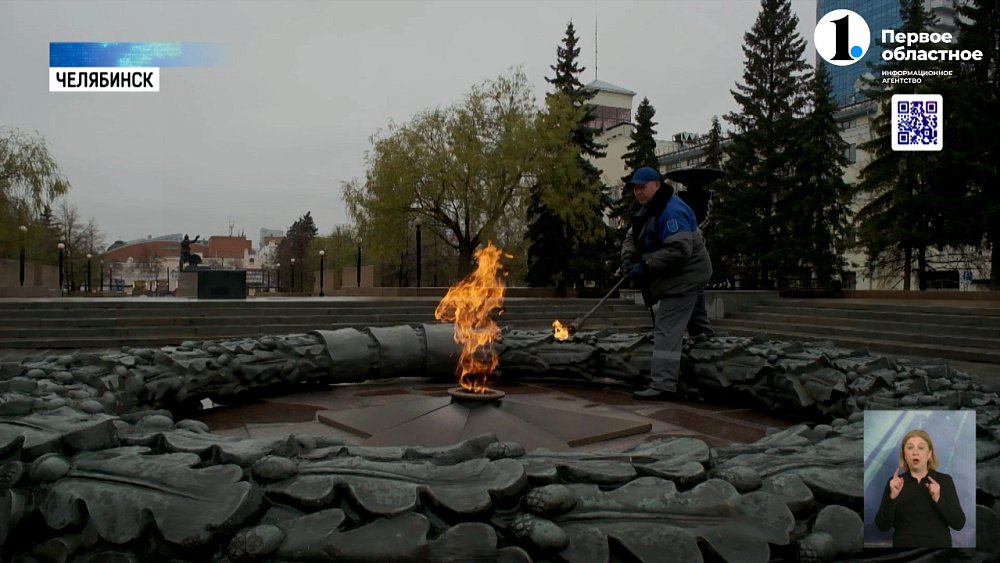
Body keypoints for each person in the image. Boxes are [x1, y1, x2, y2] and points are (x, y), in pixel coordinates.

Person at [621, 166, 713, 401]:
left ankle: (662, 384)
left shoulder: (671, 211)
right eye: (635, 188)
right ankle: (708, 369)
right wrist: (628, 259)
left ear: (657, 185)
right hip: (685, 275)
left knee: (666, 327)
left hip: (686, 278)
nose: (638, 192)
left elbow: (680, 249)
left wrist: (647, 265)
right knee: (699, 329)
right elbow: (633, 236)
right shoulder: (649, 208)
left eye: (642, 187)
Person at [875, 429, 966, 547]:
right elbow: (882, 526)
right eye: (910, 448)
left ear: (929, 454)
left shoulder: (944, 481)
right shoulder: (894, 483)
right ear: (904, 454)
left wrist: (938, 499)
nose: (915, 452)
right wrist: (893, 497)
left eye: (921, 448)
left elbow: (959, 524)